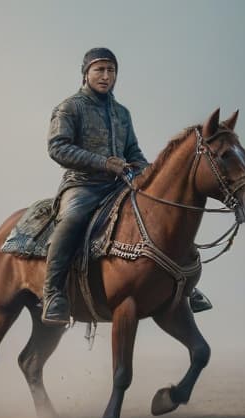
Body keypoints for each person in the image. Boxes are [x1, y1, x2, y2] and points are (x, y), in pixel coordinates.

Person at [42, 47, 211, 325]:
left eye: (111, 70)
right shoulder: (69, 107)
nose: (106, 76)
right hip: (82, 186)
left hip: (119, 185)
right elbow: (57, 148)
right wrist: (104, 163)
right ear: (86, 74)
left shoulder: (122, 113)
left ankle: (185, 285)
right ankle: (53, 294)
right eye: (100, 69)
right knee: (71, 221)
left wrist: (151, 174)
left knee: (162, 217)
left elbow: (133, 151)